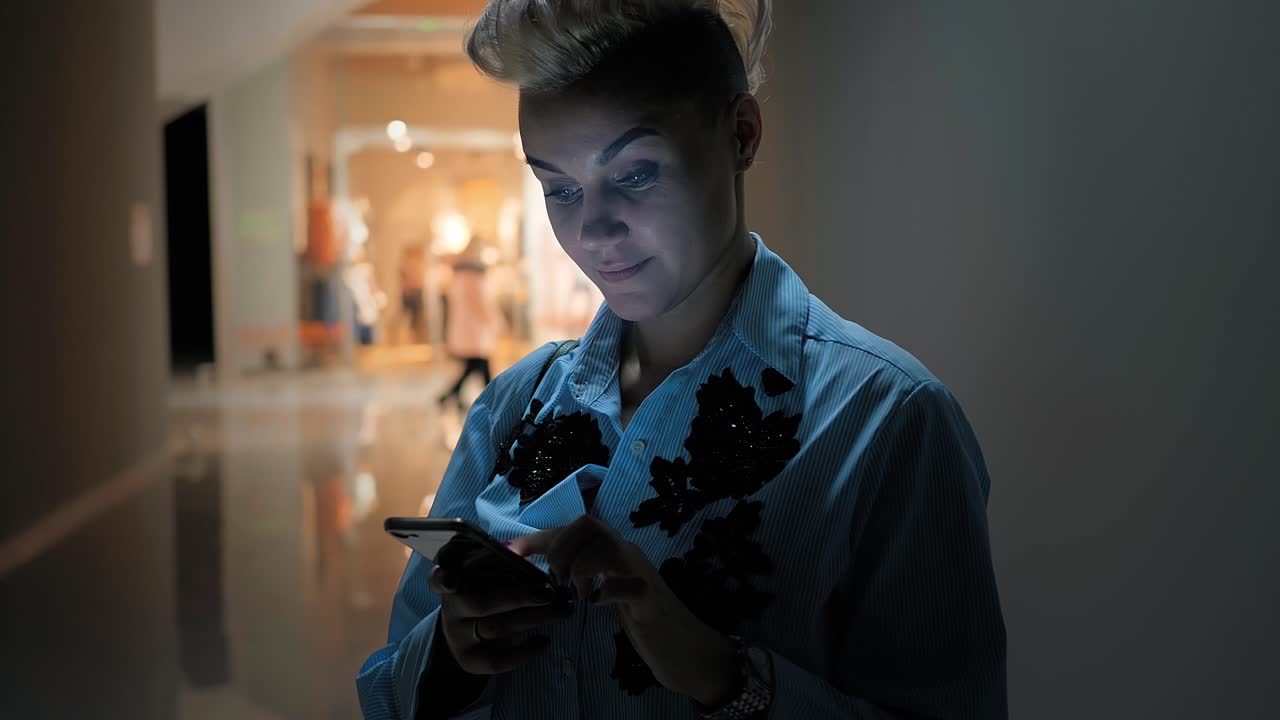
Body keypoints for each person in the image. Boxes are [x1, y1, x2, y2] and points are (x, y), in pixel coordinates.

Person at [359, 2, 1007, 718]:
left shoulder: (888, 423)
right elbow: (391, 683)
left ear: (740, 134)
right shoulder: (516, 405)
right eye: (560, 189)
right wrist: (455, 651)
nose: (593, 229)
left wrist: (723, 675)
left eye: (635, 172)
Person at [437, 238, 504, 411]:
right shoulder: (475, 275)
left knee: (474, 367)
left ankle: (451, 395)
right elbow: (483, 302)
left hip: (465, 330)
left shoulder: (457, 275)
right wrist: (497, 322)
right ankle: (492, 399)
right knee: (480, 365)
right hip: (476, 331)